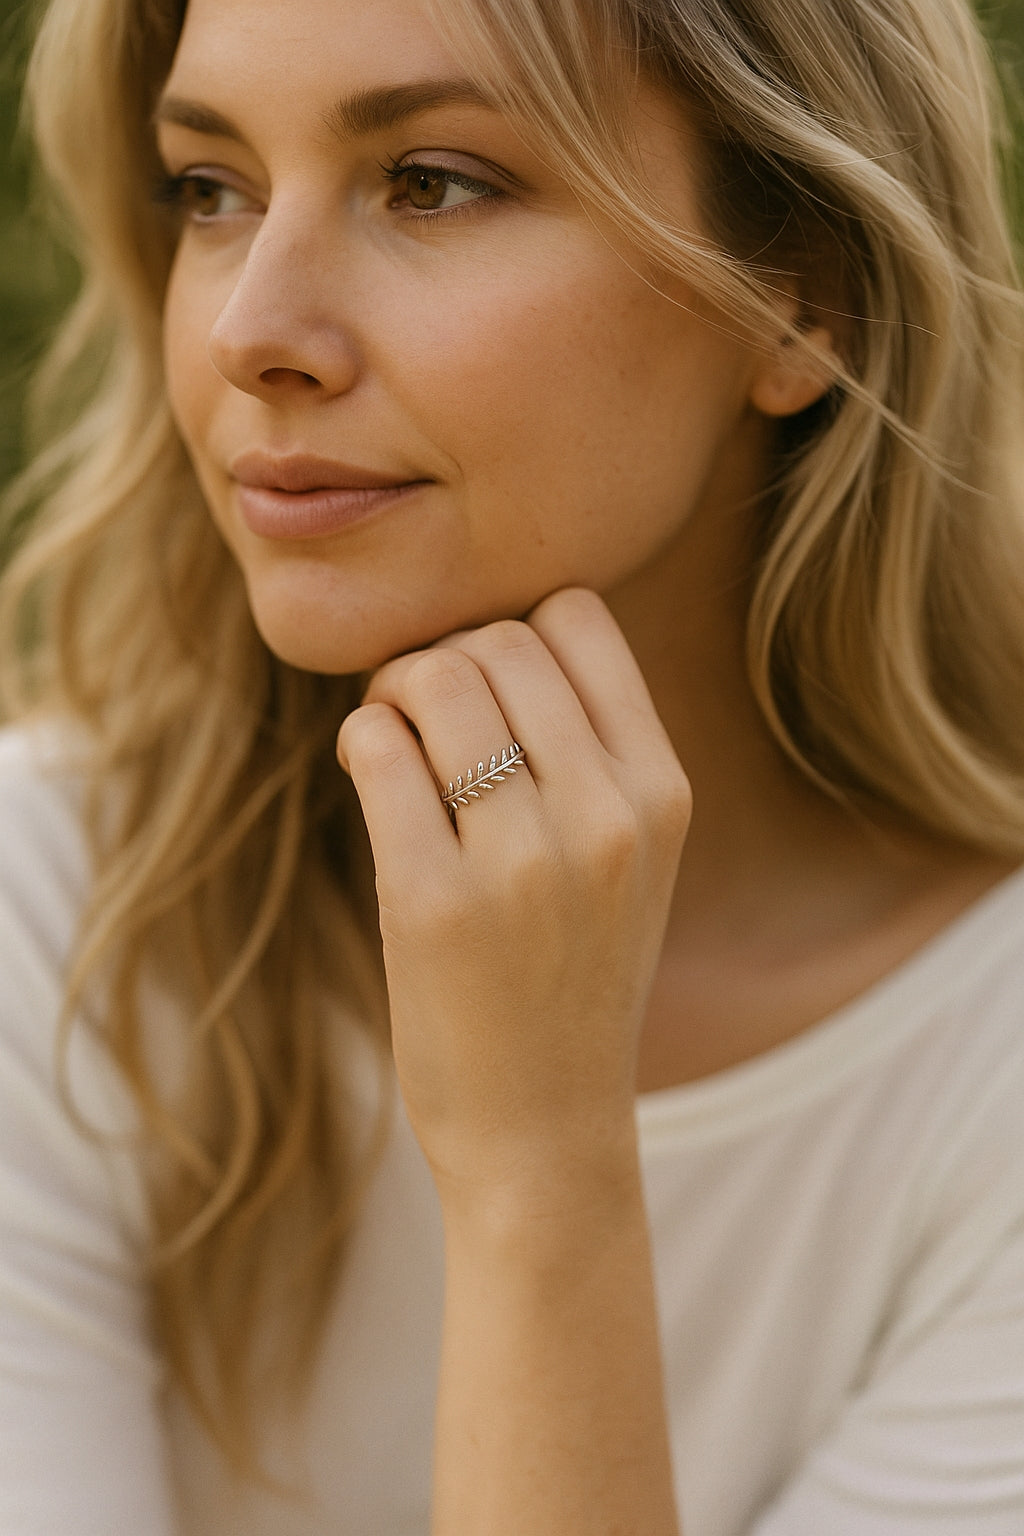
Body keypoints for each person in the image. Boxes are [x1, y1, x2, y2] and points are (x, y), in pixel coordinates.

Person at [1, 0, 1023, 1530]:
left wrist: (541, 1180)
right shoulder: (46, 902)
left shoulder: (984, 1073)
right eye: (212, 190)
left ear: (799, 300)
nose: (249, 332)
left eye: (430, 181)